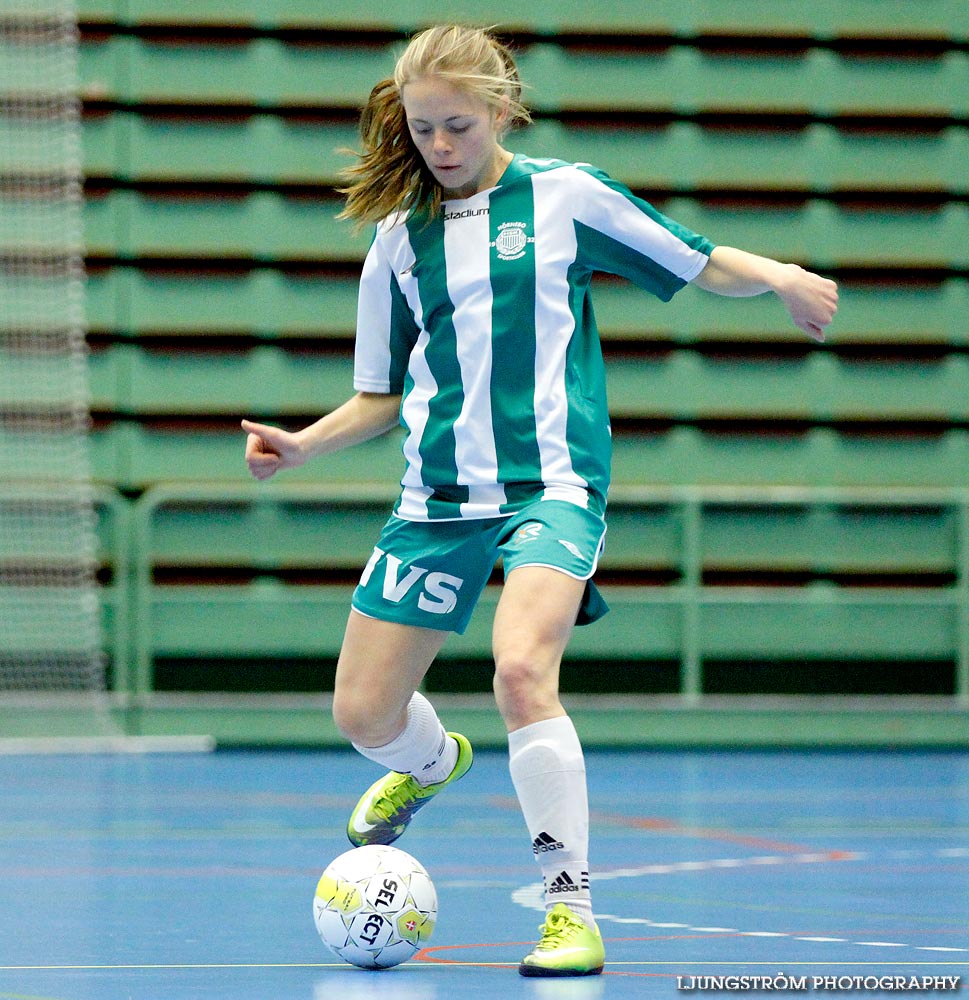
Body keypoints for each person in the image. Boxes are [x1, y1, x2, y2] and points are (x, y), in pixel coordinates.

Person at [242, 24, 838, 977]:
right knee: (362, 714)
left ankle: (570, 911)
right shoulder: (398, 242)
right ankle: (430, 765)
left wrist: (778, 278)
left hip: (552, 488)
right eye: (423, 128)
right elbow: (380, 396)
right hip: (436, 500)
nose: (439, 147)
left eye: (458, 127)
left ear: (501, 110)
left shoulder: (566, 197)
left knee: (521, 671)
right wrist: (300, 446)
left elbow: (691, 260)